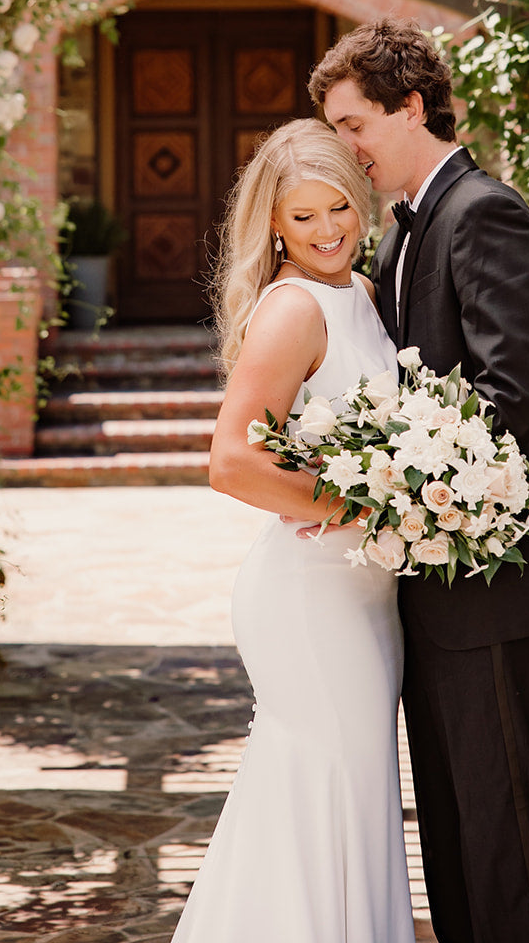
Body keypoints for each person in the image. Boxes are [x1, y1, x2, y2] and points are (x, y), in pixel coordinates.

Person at [310, 18, 529, 943]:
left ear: (410, 106)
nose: (345, 146)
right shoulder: (402, 234)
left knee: (504, 833)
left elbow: (513, 394)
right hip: (435, 581)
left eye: (355, 124)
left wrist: (392, 475)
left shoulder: (483, 214)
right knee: (452, 830)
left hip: (499, 582)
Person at [173, 118, 415, 943]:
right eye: (303, 216)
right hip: (311, 600)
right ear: (272, 224)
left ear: (360, 200)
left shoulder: (363, 297)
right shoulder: (293, 308)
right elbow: (230, 462)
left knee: (348, 795)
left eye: (338, 208)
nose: (326, 231)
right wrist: (371, 508)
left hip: (366, 594)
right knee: (324, 793)